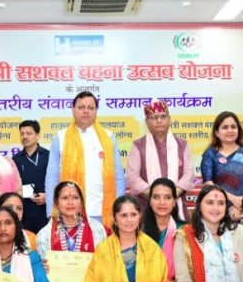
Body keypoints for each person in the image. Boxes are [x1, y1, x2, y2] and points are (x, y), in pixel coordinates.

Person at [45, 90, 127, 227]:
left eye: (91, 108)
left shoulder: (108, 137)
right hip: (68, 213)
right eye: (81, 107)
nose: (86, 111)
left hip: (103, 212)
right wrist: (51, 212)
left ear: (96, 111)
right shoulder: (60, 138)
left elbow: (118, 176)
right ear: (73, 110)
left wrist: (119, 209)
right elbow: (52, 177)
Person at [128, 100, 194, 219]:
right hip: (146, 207)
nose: (159, 120)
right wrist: (156, 197)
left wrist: (171, 196)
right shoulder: (138, 145)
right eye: (154, 117)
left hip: (177, 206)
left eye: (163, 116)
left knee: (179, 232)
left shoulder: (182, 144)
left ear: (169, 119)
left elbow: (188, 174)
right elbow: (133, 176)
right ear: (147, 122)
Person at [200, 111, 243, 221]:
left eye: (233, 127)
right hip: (215, 209)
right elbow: (208, 184)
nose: (230, 130)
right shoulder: (210, 154)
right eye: (225, 127)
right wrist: (233, 199)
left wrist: (242, 203)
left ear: (238, 130)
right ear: (217, 133)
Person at [12, 119, 49, 233]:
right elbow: (14, 187)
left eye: (29, 133)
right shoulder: (15, 159)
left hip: (46, 212)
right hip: (25, 213)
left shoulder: (49, 156)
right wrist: (29, 193)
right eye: (22, 134)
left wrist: (48, 196)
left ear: (37, 136)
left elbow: (58, 181)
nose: (25, 136)